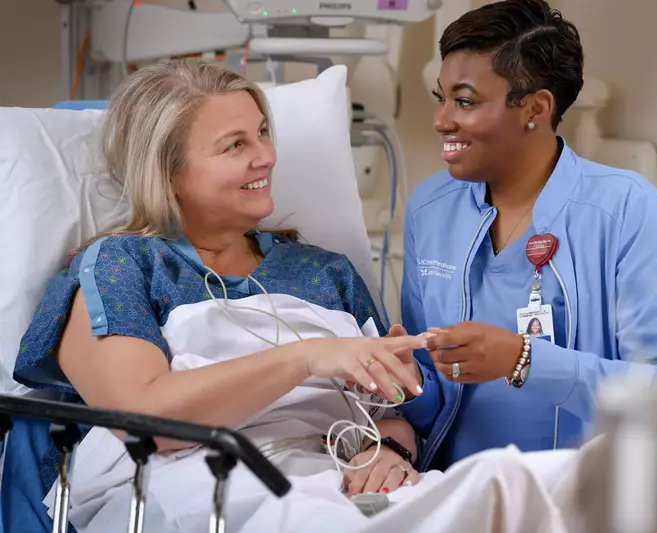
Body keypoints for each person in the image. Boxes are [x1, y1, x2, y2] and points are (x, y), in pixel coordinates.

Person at [10, 59, 584, 533]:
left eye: (262, 133)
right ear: (169, 173)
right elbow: (143, 419)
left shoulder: (323, 271)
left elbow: (389, 412)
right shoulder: (121, 265)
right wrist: (308, 356)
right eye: (234, 145)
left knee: (515, 497)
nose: (265, 156)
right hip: (200, 484)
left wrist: (388, 451)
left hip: (332, 479)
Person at [398, 0, 657, 472]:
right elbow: (437, 393)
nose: (441, 120)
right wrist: (407, 382)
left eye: (465, 101)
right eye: (441, 98)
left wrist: (524, 360)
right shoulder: (430, 210)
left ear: (535, 108)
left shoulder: (625, 210)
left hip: (580, 493)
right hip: (457, 492)